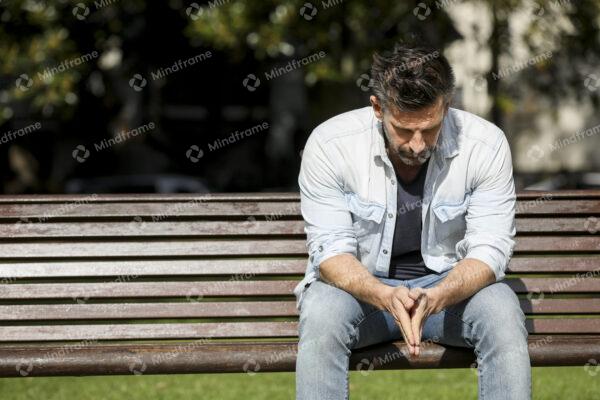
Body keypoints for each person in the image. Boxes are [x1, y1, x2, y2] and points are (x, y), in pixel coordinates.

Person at [294, 42, 530, 400]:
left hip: (448, 292)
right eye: (404, 130)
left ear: (446, 107)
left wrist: (437, 295)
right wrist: (384, 295)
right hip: (363, 293)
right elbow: (330, 253)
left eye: (430, 128)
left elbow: (491, 250)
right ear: (377, 108)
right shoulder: (330, 144)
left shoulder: (486, 144)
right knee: (323, 313)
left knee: (501, 310)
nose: (418, 145)